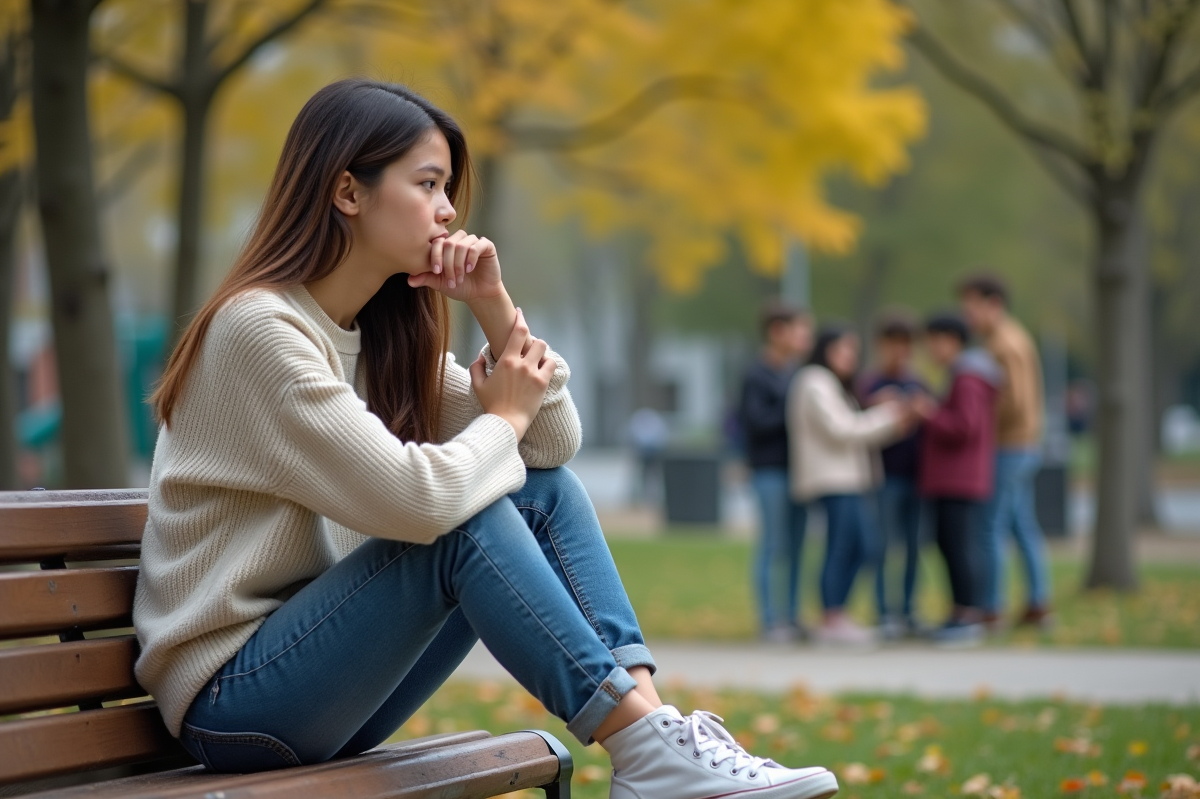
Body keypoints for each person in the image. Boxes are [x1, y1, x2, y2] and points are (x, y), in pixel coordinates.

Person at [133, 79, 839, 799]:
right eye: (429, 184)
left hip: (327, 682)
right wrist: (501, 419)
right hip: (235, 702)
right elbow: (425, 503)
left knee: (539, 494)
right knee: (461, 523)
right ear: (348, 192)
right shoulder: (260, 330)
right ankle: (646, 750)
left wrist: (494, 309)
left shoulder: (375, 337)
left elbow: (552, 447)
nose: (448, 212)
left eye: (449, 189)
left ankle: (653, 738)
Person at [787, 324, 911, 645]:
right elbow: (841, 429)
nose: (851, 357)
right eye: (844, 349)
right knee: (844, 546)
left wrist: (875, 410)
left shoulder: (829, 383)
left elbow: (847, 423)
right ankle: (832, 617)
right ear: (827, 350)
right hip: (832, 480)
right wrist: (888, 416)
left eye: (854, 351)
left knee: (864, 545)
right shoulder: (814, 379)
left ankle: (837, 613)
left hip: (848, 480)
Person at [959, 273, 1052, 629]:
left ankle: (991, 607)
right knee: (1020, 526)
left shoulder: (1003, 345)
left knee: (988, 528)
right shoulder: (1010, 338)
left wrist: (976, 421)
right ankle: (1038, 603)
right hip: (1022, 445)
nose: (967, 315)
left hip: (1009, 447)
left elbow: (1014, 401)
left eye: (971, 306)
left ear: (993, 304)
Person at [917, 314, 1004, 645]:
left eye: (934, 341)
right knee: (950, 544)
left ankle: (967, 615)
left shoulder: (967, 378)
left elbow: (963, 426)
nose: (931, 349)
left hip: (959, 478)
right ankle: (959, 612)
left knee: (958, 547)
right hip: (954, 478)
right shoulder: (964, 374)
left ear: (952, 341)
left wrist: (929, 413)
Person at [738, 302, 813, 642]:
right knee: (773, 544)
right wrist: (791, 406)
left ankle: (793, 616)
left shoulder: (799, 374)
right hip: (770, 471)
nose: (804, 337)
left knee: (799, 545)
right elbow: (754, 422)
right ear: (777, 331)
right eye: (799, 329)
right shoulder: (757, 374)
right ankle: (771, 621)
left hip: (801, 472)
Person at [857, 312, 928, 638]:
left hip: (917, 477)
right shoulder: (868, 385)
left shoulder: (919, 385)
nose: (898, 352)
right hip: (883, 477)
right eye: (892, 344)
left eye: (904, 345)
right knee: (883, 546)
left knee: (915, 546)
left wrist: (922, 411)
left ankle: (909, 609)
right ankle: (884, 611)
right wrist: (875, 406)